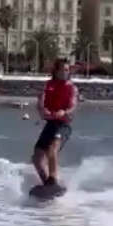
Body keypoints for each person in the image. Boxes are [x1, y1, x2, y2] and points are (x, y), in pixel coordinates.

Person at [32, 58, 78, 189]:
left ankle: (53, 180)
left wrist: (64, 112)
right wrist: (42, 109)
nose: (65, 72)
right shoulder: (48, 85)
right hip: (50, 124)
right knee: (36, 158)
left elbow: (73, 105)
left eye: (67, 70)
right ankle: (46, 182)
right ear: (56, 71)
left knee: (52, 151)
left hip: (63, 125)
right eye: (63, 69)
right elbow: (41, 102)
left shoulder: (71, 88)